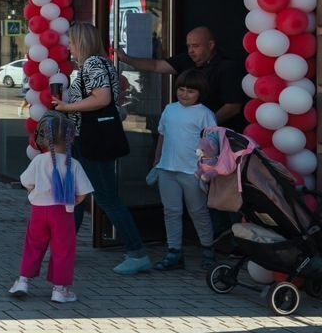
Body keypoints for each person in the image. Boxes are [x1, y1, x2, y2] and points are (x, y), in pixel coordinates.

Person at [53, 22, 151, 275]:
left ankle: (137, 252)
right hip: (84, 139)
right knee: (73, 197)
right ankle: (65, 248)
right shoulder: (99, 64)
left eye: (72, 42)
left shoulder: (94, 64)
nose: (69, 47)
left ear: (82, 42)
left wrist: (67, 108)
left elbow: (102, 98)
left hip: (92, 140)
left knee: (106, 197)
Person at [9, 110, 94, 303]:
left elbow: (26, 182)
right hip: (63, 212)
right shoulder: (74, 164)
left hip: (39, 210)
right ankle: (59, 289)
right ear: (71, 138)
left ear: (44, 138)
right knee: (63, 249)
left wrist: (34, 193)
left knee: (33, 245)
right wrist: (72, 201)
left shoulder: (39, 161)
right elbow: (82, 193)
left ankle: (23, 281)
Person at [151, 69, 218, 271]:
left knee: (198, 211)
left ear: (200, 92)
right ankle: (174, 252)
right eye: (181, 89)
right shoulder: (169, 109)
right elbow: (162, 135)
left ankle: (208, 250)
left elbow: (213, 143)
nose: (184, 94)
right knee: (171, 211)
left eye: (190, 91)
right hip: (167, 169)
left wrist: (207, 169)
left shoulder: (206, 114)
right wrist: (157, 161)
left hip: (192, 171)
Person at [118, 26, 246, 131]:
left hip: (218, 135)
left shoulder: (227, 67)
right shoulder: (187, 59)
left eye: (195, 46)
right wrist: (127, 59)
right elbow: (156, 65)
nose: (191, 50)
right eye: (188, 46)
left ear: (211, 45)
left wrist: (205, 126)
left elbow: (233, 107)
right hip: (187, 129)